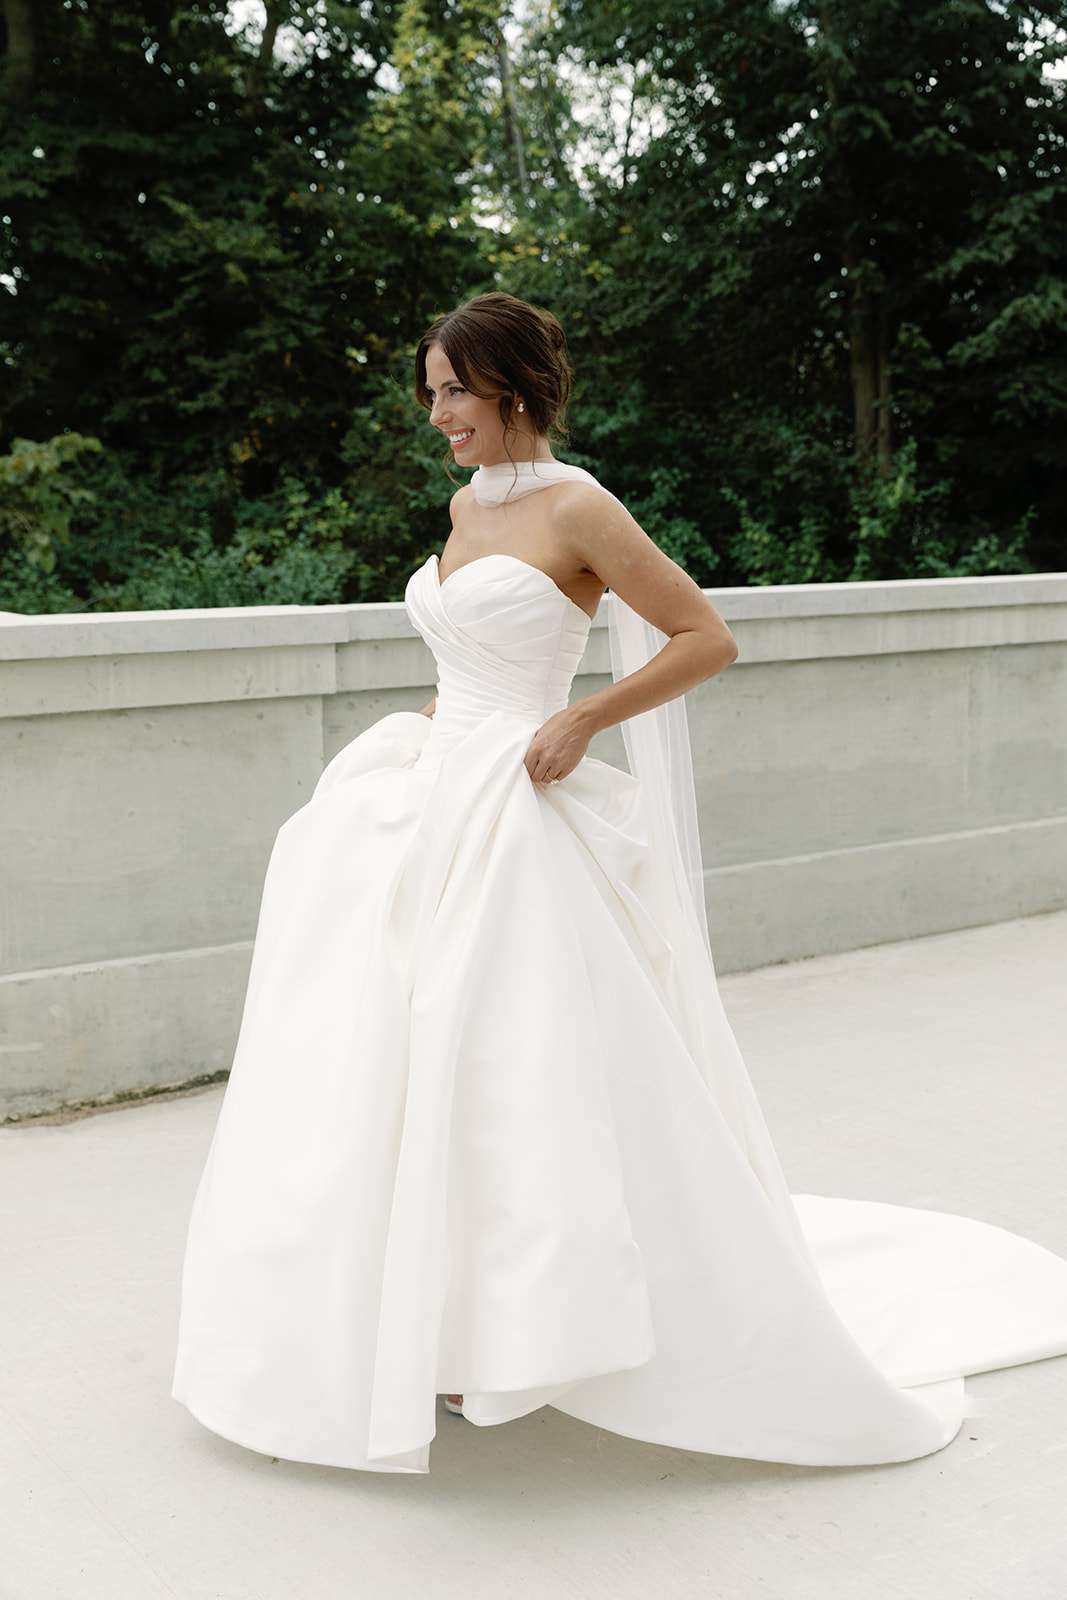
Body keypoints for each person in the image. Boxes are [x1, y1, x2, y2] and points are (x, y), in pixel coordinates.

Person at [172, 291, 1067, 1476]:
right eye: (429, 390)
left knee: (505, 1066)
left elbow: (703, 635)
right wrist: (430, 730)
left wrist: (585, 717)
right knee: (384, 1057)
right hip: (431, 791)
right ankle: (427, 1326)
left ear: (513, 390)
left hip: (518, 805)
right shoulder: (458, 504)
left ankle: (534, 1325)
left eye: (452, 389)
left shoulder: (580, 505)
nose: (435, 412)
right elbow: (469, 654)